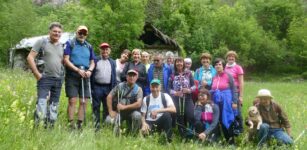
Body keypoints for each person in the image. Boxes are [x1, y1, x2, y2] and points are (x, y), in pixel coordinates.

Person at [27, 22, 64, 128]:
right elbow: (30, 57)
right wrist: (37, 74)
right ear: (50, 32)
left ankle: (49, 128)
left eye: (59, 32)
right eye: (55, 31)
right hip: (44, 78)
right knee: (42, 103)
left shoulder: (62, 45)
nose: (57, 33)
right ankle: (36, 128)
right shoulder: (42, 42)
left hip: (58, 79)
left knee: (54, 105)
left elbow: (60, 61)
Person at [64, 25, 95, 129]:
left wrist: (90, 70)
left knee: (83, 101)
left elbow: (92, 62)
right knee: (72, 100)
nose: (82, 35)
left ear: (86, 35)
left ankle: (80, 124)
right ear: (76, 32)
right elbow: (66, 59)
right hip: (72, 74)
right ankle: (71, 124)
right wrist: (77, 70)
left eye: (84, 33)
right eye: (80, 33)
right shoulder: (70, 43)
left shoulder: (89, 46)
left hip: (85, 75)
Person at [106, 69, 143, 135]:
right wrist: (110, 111)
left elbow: (138, 104)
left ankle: (133, 134)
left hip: (131, 112)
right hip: (119, 112)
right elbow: (109, 97)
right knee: (108, 120)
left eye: (134, 76)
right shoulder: (120, 86)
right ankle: (115, 135)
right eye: (130, 75)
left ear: (136, 77)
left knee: (137, 116)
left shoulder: (138, 89)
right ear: (126, 77)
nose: (132, 77)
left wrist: (124, 107)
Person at [211, 58, 238, 144]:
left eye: (220, 64)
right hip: (216, 100)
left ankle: (231, 142)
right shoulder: (214, 77)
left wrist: (234, 101)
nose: (218, 66)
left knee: (226, 120)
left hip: (226, 101)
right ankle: (219, 140)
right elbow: (212, 89)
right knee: (217, 120)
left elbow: (234, 89)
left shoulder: (228, 75)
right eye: (216, 64)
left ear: (223, 66)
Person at [91, 42, 117, 131]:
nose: (105, 51)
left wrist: (113, 90)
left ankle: (105, 124)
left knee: (107, 106)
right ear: (100, 50)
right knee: (96, 107)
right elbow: (91, 74)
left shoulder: (113, 62)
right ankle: (96, 126)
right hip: (97, 87)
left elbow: (114, 76)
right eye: (103, 49)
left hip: (108, 88)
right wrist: (92, 88)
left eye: (106, 49)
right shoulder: (95, 60)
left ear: (109, 51)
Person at [169, 57, 195, 138]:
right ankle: (182, 135)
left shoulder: (189, 73)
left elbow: (194, 86)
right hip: (176, 99)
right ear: (175, 64)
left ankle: (191, 133)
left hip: (187, 98)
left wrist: (189, 90)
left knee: (190, 115)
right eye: (177, 62)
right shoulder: (172, 75)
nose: (179, 63)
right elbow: (168, 89)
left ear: (183, 63)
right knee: (180, 117)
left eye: (181, 62)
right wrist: (175, 93)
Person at [225, 50, 244, 133]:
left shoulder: (238, 67)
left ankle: (240, 129)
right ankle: (231, 128)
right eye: (229, 56)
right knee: (229, 110)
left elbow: (241, 82)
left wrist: (241, 96)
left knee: (237, 111)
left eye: (233, 56)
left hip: (236, 92)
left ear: (235, 58)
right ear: (227, 58)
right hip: (226, 92)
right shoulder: (224, 67)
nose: (231, 58)